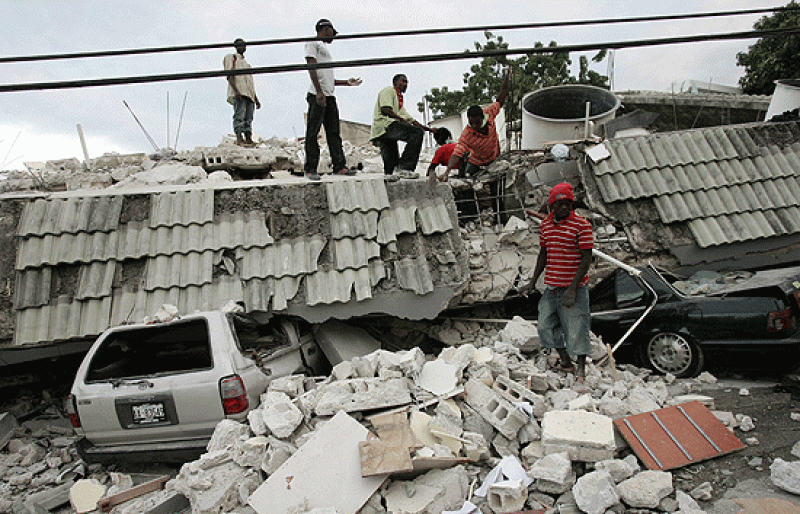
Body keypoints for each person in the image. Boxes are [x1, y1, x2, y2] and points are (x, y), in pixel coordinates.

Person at [531, 182, 594, 382]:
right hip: (552, 285)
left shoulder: (582, 225)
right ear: (552, 206)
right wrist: (533, 281)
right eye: (560, 204)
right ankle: (565, 360)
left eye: (568, 203)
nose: (565, 207)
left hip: (574, 286)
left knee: (577, 326)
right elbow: (544, 253)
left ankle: (581, 368)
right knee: (545, 325)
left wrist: (573, 289)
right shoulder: (546, 226)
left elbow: (586, 259)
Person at [304, 19, 362, 181]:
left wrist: (346, 82)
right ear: (325, 29)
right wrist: (319, 92)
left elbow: (328, 77)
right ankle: (310, 168)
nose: (333, 36)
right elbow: (311, 65)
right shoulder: (313, 42)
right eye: (331, 32)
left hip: (329, 96)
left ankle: (339, 166)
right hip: (318, 95)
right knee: (313, 133)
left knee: (334, 133)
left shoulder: (325, 51)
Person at [438, 69, 512, 182]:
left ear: (482, 117)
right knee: (471, 182)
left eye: (477, 123)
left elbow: (499, 101)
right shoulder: (467, 134)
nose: (475, 126)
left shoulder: (489, 113)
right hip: (476, 162)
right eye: (472, 123)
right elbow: (457, 154)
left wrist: (506, 81)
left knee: (497, 183)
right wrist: (447, 172)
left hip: (494, 158)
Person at [370, 74, 435, 179]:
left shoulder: (398, 101)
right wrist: (402, 120)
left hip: (383, 132)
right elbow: (385, 109)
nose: (405, 84)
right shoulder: (388, 91)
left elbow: (412, 120)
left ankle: (393, 172)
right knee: (416, 133)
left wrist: (429, 129)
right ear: (395, 82)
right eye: (403, 81)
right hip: (385, 125)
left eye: (407, 82)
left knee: (391, 169)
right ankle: (406, 167)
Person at [224, 38, 261, 146]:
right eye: (240, 45)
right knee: (239, 115)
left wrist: (256, 98)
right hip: (239, 92)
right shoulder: (231, 58)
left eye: (244, 45)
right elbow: (229, 75)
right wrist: (236, 91)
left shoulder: (246, 64)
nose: (243, 47)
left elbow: (250, 84)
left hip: (249, 95)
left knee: (249, 117)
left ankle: (248, 137)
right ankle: (239, 137)